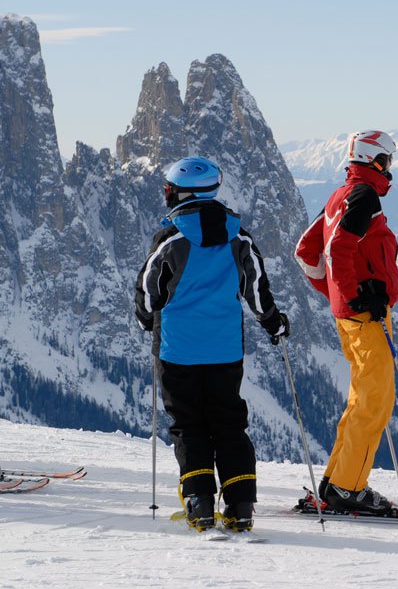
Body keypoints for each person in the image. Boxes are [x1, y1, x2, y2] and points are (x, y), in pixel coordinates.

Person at [134, 156, 289, 532]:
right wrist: (274, 324)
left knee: (189, 425)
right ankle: (240, 508)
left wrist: (145, 319)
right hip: (224, 351)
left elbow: (148, 294)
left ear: (178, 193)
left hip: (177, 351)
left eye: (167, 190)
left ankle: (200, 505)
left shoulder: (170, 239)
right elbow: (256, 292)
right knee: (229, 424)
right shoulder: (239, 237)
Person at [294, 130, 398, 514]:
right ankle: (347, 488)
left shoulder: (341, 196)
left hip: (354, 316)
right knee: (375, 402)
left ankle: (336, 480)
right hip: (364, 316)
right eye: (387, 161)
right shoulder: (363, 196)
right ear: (375, 160)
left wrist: (338, 296)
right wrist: (355, 295)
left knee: (363, 399)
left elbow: (306, 252)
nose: (390, 170)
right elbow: (338, 247)